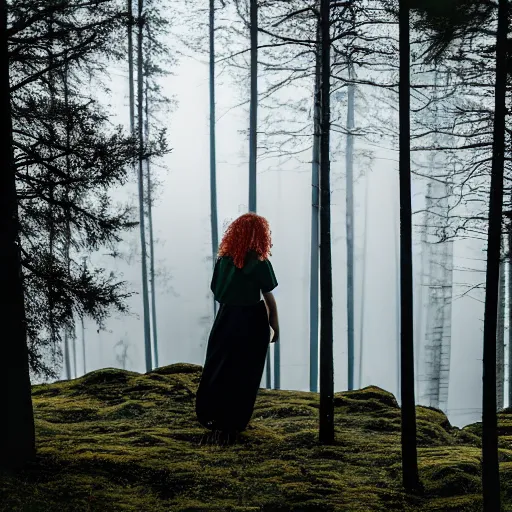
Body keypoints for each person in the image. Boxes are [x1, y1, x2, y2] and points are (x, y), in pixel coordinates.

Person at [195, 212, 280, 437]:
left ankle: (210, 414)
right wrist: (275, 325)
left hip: (226, 317)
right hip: (252, 319)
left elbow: (216, 290)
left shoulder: (223, 261)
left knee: (220, 365)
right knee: (246, 370)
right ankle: (235, 420)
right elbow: (268, 296)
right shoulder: (259, 261)